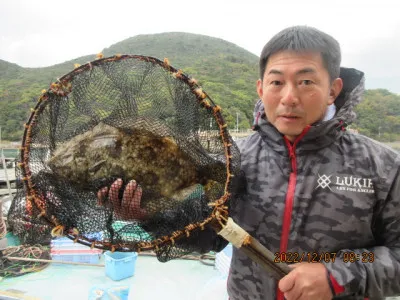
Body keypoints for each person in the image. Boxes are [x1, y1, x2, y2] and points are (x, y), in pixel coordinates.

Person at [99, 26, 400, 300]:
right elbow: (208, 237)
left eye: (306, 81)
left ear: (333, 89)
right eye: (277, 82)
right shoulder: (231, 162)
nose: (289, 97)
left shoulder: (382, 166)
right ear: (260, 88)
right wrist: (150, 216)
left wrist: (336, 275)